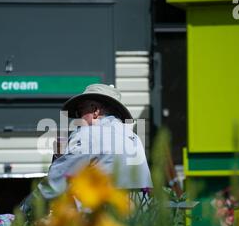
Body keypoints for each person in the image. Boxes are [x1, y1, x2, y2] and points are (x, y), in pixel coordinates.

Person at [21, 83, 152, 213]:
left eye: (80, 111)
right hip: (138, 220)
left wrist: (21, 213)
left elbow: (54, 185)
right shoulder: (134, 137)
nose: (77, 119)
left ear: (95, 111)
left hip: (101, 223)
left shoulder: (87, 134)